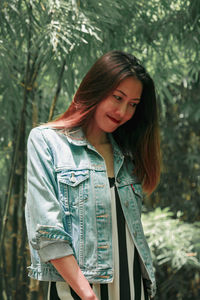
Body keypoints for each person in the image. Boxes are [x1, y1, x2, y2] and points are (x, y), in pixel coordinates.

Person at [25, 50, 161, 300]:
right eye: (117, 97)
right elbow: (47, 232)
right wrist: (87, 296)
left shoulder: (127, 154)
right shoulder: (46, 142)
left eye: (132, 104)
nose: (122, 111)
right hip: (77, 294)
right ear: (97, 88)